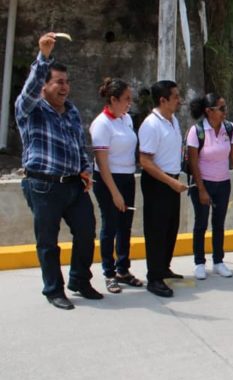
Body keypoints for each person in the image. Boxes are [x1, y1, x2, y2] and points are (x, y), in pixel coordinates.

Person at [16, 33, 100, 310]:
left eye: (67, 82)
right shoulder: (30, 110)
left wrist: (86, 170)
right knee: (48, 242)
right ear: (44, 86)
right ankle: (54, 289)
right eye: (58, 82)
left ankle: (79, 280)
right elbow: (27, 93)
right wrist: (43, 57)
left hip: (74, 185)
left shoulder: (72, 111)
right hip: (43, 186)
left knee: (87, 231)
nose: (65, 87)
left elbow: (79, 146)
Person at [90, 78, 143, 293]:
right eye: (126, 99)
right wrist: (114, 193)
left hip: (127, 176)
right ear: (113, 99)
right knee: (110, 225)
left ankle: (123, 269)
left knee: (125, 225)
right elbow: (102, 164)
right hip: (107, 179)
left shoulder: (126, 120)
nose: (129, 103)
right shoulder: (101, 124)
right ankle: (109, 272)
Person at [138, 80, 188, 297]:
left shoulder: (173, 120)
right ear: (163, 100)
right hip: (158, 182)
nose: (180, 100)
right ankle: (154, 278)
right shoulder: (151, 124)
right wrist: (170, 181)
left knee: (170, 228)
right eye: (176, 96)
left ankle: (164, 267)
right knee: (156, 231)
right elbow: (146, 161)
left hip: (172, 180)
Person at [187, 93, 233, 280]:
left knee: (218, 224)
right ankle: (199, 263)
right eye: (221, 108)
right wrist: (202, 189)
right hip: (203, 183)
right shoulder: (197, 132)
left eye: (225, 108)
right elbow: (194, 163)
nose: (224, 112)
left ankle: (218, 261)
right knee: (201, 224)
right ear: (208, 111)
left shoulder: (229, 128)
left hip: (223, 183)